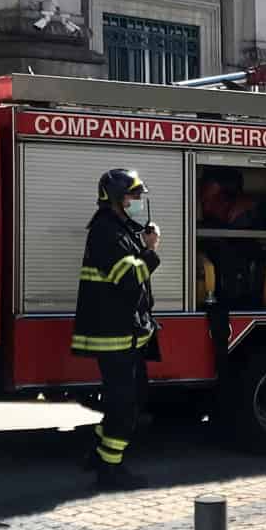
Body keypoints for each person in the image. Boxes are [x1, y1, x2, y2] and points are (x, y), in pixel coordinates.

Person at [73, 168, 162, 491]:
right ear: (115, 198)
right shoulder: (105, 231)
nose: (137, 200)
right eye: (132, 195)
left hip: (123, 332)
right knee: (124, 407)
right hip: (114, 336)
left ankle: (98, 456)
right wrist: (151, 251)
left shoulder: (117, 228)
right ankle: (111, 472)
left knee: (128, 401)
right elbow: (126, 279)